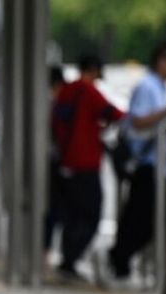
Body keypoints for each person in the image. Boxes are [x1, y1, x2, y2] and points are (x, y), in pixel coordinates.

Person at [107, 41, 166, 282]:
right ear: (161, 61)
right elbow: (138, 121)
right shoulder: (147, 87)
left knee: (155, 220)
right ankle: (118, 260)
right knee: (141, 219)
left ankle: (122, 261)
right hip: (149, 166)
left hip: (164, 167)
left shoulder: (160, 87)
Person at [51, 54, 125, 281]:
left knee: (73, 214)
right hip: (85, 162)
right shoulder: (88, 90)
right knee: (91, 214)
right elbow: (114, 113)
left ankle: (67, 261)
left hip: (65, 161)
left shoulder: (66, 90)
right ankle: (70, 261)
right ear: (92, 69)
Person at [44, 65, 67, 257]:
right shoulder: (53, 101)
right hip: (50, 161)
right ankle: (44, 249)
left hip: (44, 160)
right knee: (51, 209)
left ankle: (43, 250)